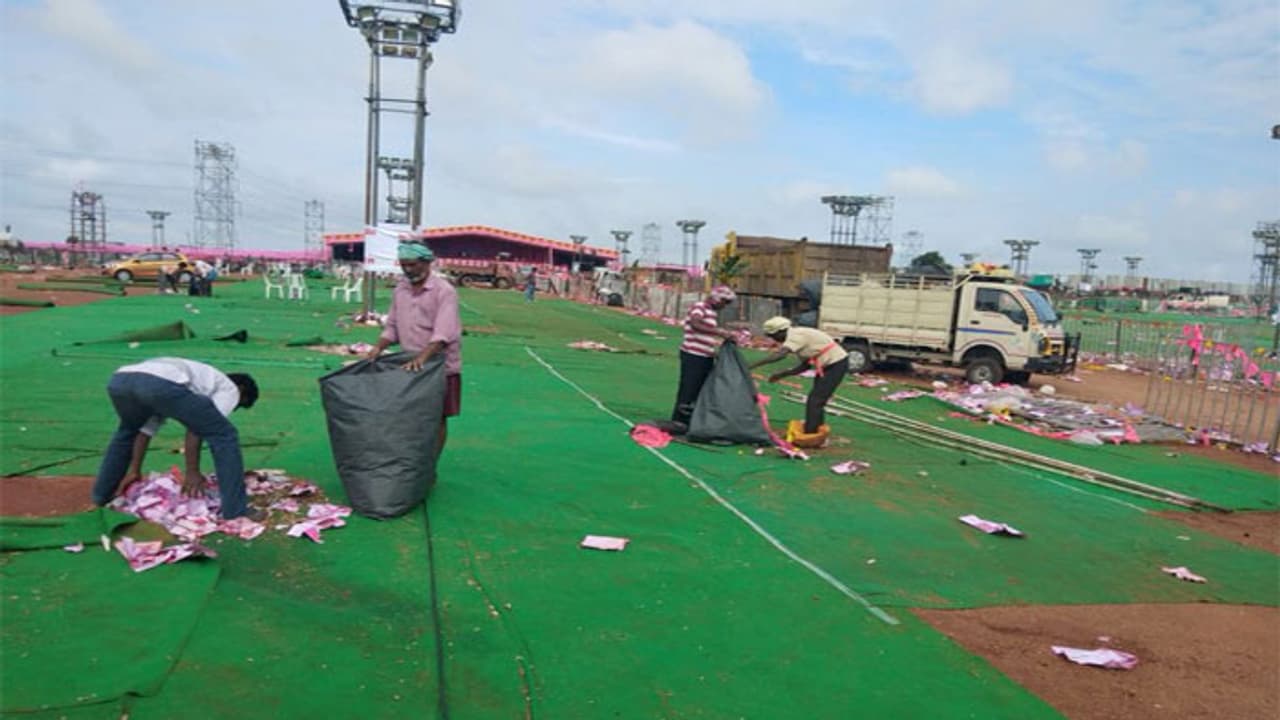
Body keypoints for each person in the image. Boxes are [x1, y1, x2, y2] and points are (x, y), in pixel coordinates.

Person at [91, 357, 261, 520]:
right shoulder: (229, 387)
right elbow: (197, 428)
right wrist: (192, 472)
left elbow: (143, 432)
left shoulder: (198, 381)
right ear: (241, 392)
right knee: (225, 435)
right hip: (160, 384)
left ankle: (102, 495)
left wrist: (135, 470)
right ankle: (236, 512)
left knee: (128, 431)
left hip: (120, 380)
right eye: (238, 404)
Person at [365, 242, 463, 454]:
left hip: (440, 368)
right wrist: (378, 348)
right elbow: (392, 326)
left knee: (437, 418)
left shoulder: (444, 292)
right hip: (409, 365)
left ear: (427, 263)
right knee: (408, 416)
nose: (408, 270)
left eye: (413, 265)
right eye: (403, 265)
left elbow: (443, 333)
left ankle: (429, 466)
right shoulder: (401, 290)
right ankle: (409, 461)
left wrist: (423, 358)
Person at [749, 316, 849, 434]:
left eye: (774, 336)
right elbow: (805, 366)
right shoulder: (798, 337)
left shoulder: (795, 337)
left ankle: (810, 433)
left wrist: (752, 365)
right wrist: (782, 374)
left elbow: (780, 355)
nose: (775, 340)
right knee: (817, 400)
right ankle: (816, 428)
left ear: (781, 331)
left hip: (835, 364)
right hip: (828, 365)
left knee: (815, 400)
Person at [669, 285, 739, 429]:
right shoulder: (700, 307)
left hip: (704, 355)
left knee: (700, 389)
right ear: (716, 298)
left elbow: (705, 334)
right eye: (723, 302)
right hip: (693, 354)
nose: (724, 306)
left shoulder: (712, 312)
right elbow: (695, 324)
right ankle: (680, 420)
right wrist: (720, 332)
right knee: (689, 387)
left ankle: (692, 419)